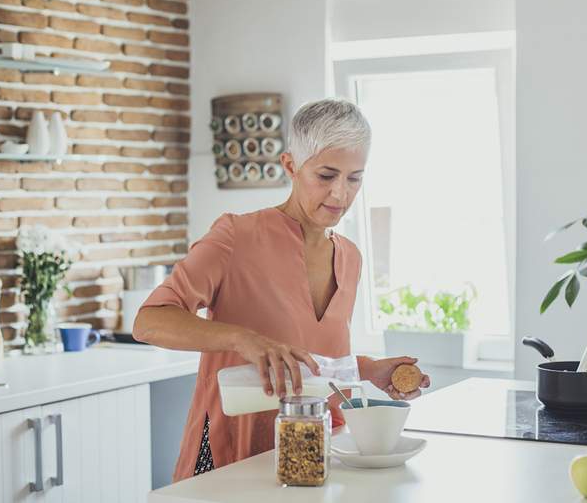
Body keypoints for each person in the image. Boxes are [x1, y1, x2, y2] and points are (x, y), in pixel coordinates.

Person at [133, 98, 430, 482]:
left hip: (314, 455)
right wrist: (241, 339)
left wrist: (369, 370)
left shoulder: (350, 257)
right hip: (231, 456)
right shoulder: (234, 236)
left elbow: (317, 364)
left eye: (354, 178)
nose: (341, 195)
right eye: (326, 176)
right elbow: (148, 321)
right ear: (291, 166)